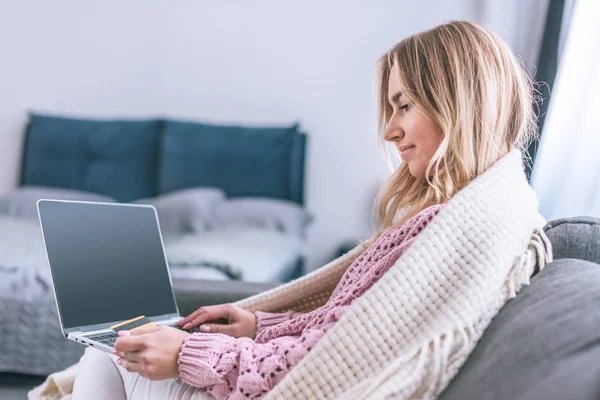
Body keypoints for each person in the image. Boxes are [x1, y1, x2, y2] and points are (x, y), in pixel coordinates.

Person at [70, 20, 538, 400]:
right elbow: (342, 330)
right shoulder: (461, 215)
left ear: (459, 105)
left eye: (404, 105)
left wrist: (189, 352)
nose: (390, 131)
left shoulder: (449, 234)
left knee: (106, 355)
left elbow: (330, 362)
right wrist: (258, 325)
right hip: (263, 367)